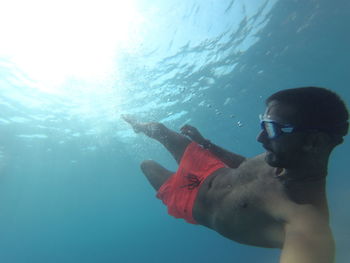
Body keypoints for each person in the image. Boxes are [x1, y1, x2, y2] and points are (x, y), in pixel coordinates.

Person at [122, 86, 348, 263]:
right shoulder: (279, 158)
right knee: (160, 130)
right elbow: (244, 166)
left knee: (147, 164)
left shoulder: (305, 220)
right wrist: (205, 144)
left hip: (189, 200)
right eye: (263, 124)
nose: (260, 138)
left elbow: (310, 249)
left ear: (314, 141)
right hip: (209, 167)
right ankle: (137, 126)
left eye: (272, 128)